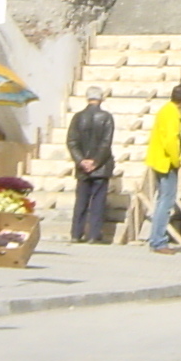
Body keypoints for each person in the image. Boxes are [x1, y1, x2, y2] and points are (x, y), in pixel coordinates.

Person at [66, 85, 116, 244]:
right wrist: (95, 162)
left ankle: (76, 233)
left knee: (81, 201)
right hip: (100, 168)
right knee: (97, 202)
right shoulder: (106, 117)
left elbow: (72, 142)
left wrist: (81, 160)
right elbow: (106, 143)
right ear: (101, 99)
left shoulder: (77, 117)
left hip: (82, 168)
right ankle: (93, 234)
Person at [145, 84, 181, 253]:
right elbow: (171, 140)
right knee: (166, 201)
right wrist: (177, 161)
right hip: (166, 162)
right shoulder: (172, 114)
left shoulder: (165, 109)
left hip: (157, 159)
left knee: (162, 200)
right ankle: (158, 241)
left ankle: (155, 238)